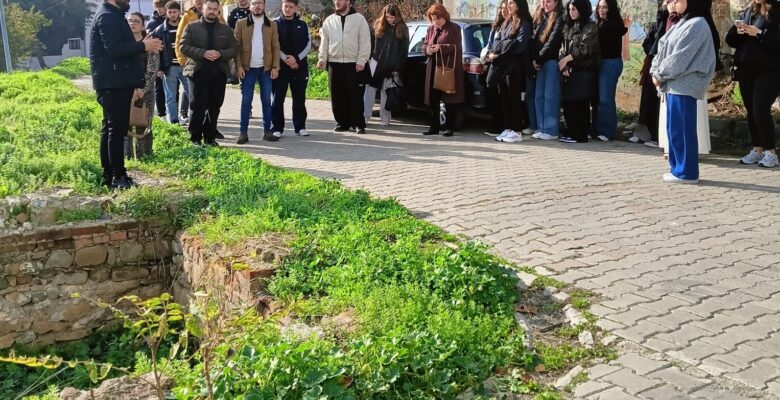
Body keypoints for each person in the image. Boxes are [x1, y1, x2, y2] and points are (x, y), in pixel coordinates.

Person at [90, 0, 163, 190]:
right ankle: (117, 177)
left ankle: (109, 175)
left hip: (116, 82)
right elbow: (114, 48)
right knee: (116, 130)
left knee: (111, 129)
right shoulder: (107, 16)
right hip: (112, 84)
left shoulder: (114, 14)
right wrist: (143, 46)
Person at [650, 0, 715, 183]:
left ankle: (687, 172)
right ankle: (677, 168)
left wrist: (660, 74)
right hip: (673, 84)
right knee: (674, 129)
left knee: (683, 130)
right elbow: (661, 48)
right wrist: (655, 71)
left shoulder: (698, 24)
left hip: (685, 85)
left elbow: (680, 57)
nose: (674, 2)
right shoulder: (682, 23)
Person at [726, 0, 780, 168]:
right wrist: (738, 31)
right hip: (746, 69)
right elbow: (731, 41)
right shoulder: (750, 11)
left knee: (760, 108)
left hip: (769, 71)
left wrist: (759, 33)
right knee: (751, 110)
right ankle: (757, 149)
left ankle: (771, 152)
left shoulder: (777, 12)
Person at [179, 0, 238, 146]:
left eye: (215, 9)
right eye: (209, 8)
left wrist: (220, 54)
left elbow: (234, 48)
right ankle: (195, 138)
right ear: (203, 9)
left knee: (215, 106)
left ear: (219, 11)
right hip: (197, 72)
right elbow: (183, 46)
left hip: (219, 73)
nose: (212, 11)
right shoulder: (192, 27)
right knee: (197, 106)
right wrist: (203, 53)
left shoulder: (226, 29)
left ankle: (210, 137)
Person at [316, 0, 371, 134]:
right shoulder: (329, 20)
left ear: (347, 1)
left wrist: (361, 60)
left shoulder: (359, 19)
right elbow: (324, 42)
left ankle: (358, 124)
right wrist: (322, 59)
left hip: (354, 64)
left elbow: (365, 41)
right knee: (337, 95)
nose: (336, 2)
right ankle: (342, 122)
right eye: (335, 0)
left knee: (356, 96)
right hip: (335, 63)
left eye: (340, 0)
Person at [234, 0, 281, 144]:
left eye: (260, 3)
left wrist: (275, 67)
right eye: (254, 3)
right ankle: (243, 133)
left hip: (266, 69)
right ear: (250, 5)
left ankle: (267, 131)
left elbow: (275, 46)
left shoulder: (271, 24)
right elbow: (236, 47)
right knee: (246, 101)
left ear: (264, 5)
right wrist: (239, 66)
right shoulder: (241, 23)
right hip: (248, 69)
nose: (257, 6)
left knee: (267, 101)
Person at [488, 0, 532, 143]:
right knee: (505, 99)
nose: (508, 6)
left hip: (515, 67)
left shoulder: (524, 23)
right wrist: (506, 46)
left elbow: (519, 46)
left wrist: (503, 49)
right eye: (508, 3)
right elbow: (497, 43)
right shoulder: (506, 22)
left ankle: (517, 130)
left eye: (512, 3)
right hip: (503, 66)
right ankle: (508, 128)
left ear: (519, 5)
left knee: (514, 99)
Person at [557, 0, 599, 144]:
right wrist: (564, 66)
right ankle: (572, 131)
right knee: (568, 103)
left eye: (574, 9)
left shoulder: (590, 27)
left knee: (580, 103)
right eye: (570, 9)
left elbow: (585, 48)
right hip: (571, 71)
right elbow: (562, 49)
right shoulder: (568, 26)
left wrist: (567, 59)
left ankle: (580, 135)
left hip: (585, 70)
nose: (571, 12)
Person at [362, 4, 409, 127]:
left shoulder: (403, 28)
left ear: (397, 16)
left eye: (392, 17)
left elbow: (404, 51)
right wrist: (368, 59)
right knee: (369, 90)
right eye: (387, 17)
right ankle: (365, 115)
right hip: (375, 63)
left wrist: (398, 68)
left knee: (386, 92)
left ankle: (385, 117)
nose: (389, 19)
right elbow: (369, 44)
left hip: (392, 66)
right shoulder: (378, 25)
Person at [422, 3, 464, 137]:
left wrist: (441, 47)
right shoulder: (430, 29)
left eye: (438, 19)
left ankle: (449, 127)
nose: (436, 22)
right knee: (432, 99)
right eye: (433, 19)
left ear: (444, 16)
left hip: (447, 67)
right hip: (433, 66)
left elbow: (456, 47)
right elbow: (425, 44)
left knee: (449, 99)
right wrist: (427, 49)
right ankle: (433, 127)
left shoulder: (454, 28)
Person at [271, 0, 312, 138]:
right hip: (281, 67)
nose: (287, 9)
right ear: (282, 6)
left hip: (299, 67)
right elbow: (273, 44)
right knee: (277, 99)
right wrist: (286, 59)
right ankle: (277, 128)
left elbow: (308, 44)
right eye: (285, 6)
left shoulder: (303, 24)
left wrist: (296, 58)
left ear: (296, 8)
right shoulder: (274, 24)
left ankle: (300, 126)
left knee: (299, 98)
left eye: (291, 7)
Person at [635, 0, 671, 147]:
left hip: (664, 66)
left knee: (657, 102)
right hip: (652, 63)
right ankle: (644, 134)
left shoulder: (674, 24)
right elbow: (647, 42)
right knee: (647, 100)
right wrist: (652, 53)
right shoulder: (656, 24)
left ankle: (657, 136)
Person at [125, 12, 160, 160]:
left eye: (136, 21)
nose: (132, 23)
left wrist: (141, 89)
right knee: (125, 124)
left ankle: (144, 156)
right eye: (130, 21)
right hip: (126, 90)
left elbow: (152, 70)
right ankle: (127, 157)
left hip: (146, 91)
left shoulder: (150, 43)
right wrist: (130, 88)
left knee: (144, 123)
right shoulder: (124, 44)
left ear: (142, 25)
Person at [152, 0, 191, 125]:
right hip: (170, 67)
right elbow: (156, 51)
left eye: (175, 12)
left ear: (179, 12)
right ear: (167, 13)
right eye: (170, 12)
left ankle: (195, 119)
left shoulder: (187, 26)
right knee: (170, 96)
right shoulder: (160, 30)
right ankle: (173, 121)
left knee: (192, 93)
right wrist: (159, 68)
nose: (173, 14)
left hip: (186, 65)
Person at [593, 0, 626, 142]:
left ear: (610, 8)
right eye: (600, 7)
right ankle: (599, 129)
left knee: (606, 99)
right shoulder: (601, 24)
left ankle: (607, 131)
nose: (602, 10)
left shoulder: (612, 24)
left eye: (605, 7)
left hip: (610, 63)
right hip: (603, 63)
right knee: (601, 99)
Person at [531, 0, 564, 140]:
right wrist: (534, 59)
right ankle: (541, 127)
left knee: (550, 97)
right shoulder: (543, 18)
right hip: (540, 62)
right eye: (543, 1)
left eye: (549, 1)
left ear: (556, 2)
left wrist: (538, 59)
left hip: (551, 62)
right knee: (539, 96)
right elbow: (536, 41)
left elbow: (552, 42)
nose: (545, 3)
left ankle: (551, 130)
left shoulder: (560, 18)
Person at [482, 0, 509, 137]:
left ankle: (501, 125)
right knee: (491, 95)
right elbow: (489, 44)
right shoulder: (496, 26)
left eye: (507, 8)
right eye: (502, 8)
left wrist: (495, 55)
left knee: (501, 97)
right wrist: (487, 55)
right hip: (491, 64)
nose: (504, 10)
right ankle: (495, 122)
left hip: (503, 66)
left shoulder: (511, 26)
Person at [147, 0, 169, 119]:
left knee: (173, 89)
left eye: (161, 6)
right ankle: (162, 114)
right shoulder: (152, 23)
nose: (159, 9)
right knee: (159, 87)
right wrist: (158, 66)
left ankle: (173, 113)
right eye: (157, 7)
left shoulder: (171, 20)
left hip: (169, 59)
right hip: (157, 59)